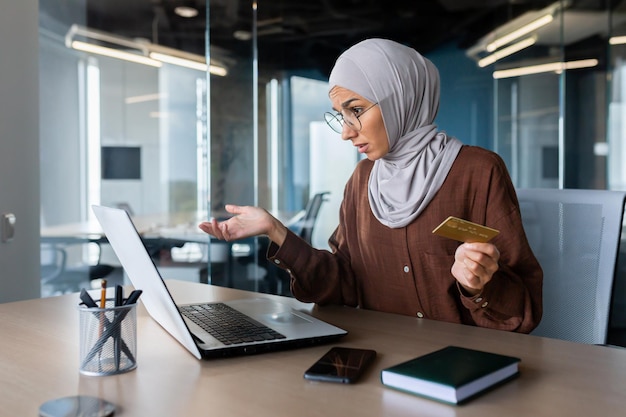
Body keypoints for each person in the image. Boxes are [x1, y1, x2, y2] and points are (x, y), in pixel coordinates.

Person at [199, 38, 543, 333]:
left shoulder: (477, 171)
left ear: (399, 99)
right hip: (377, 361)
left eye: (357, 110)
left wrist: (478, 285)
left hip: (459, 368)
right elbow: (342, 285)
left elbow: (523, 312)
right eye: (341, 115)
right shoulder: (363, 179)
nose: (347, 131)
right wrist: (275, 231)